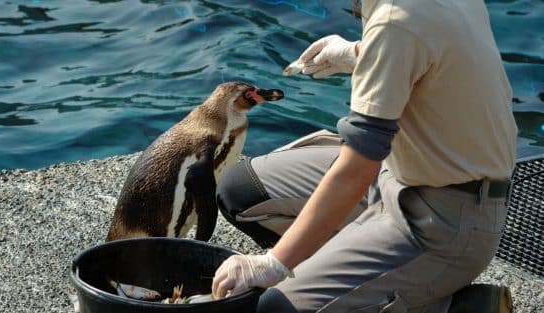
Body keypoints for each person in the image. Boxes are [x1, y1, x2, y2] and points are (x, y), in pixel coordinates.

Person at [211, 0, 517, 312]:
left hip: (444, 218)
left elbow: (355, 172)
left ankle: (455, 306)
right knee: (242, 189)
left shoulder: (394, 21)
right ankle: (360, 278)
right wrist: (361, 53)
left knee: (275, 308)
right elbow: (436, 51)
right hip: (399, 168)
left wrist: (274, 263)